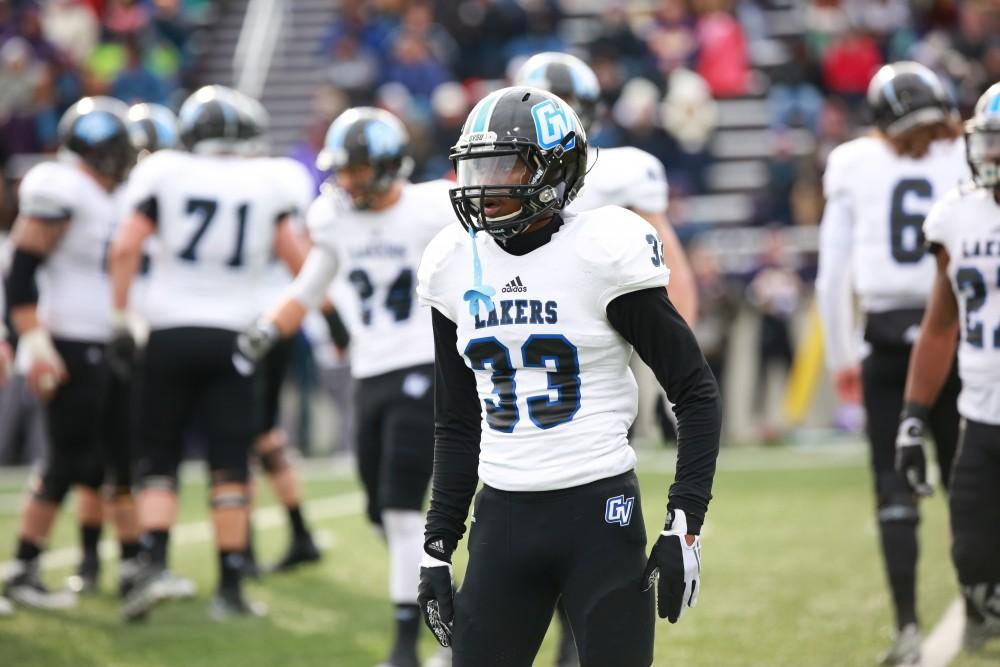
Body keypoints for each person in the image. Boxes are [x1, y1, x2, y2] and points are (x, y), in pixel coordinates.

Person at [414, 86, 721, 667]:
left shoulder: (602, 250)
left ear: (555, 171)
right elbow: (456, 423)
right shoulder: (453, 262)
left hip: (599, 515)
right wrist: (437, 547)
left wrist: (685, 523)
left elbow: (695, 393)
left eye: (506, 165)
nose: (487, 184)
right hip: (502, 516)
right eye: (476, 166)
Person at [235, 106, 454, 667]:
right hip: (368, 371)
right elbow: (312, 281)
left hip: (424, 366)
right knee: (379, 511)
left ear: (387, 166)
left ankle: (406, 644)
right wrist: (268, 326)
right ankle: (450, 594)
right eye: (345, 171)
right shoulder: (332, 217)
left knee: (405, 513)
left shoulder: (433, 207)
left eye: (359, 170)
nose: (349, 182)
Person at [109, 85, 309, 621]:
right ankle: (230, 588)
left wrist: (121, 315)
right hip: (236, 336)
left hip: (169, 329)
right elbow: (301, 263)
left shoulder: (165, 171)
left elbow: (126, 246)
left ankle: (151, 563)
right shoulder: (270, 178)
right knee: (230, 468)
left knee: (159, 458)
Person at [815, 61, 969, 665]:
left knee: (893, 486)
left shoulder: (854, 163)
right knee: (971, 481)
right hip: (957, 332)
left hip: (884, 337)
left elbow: (832, 276)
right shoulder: (964, 156)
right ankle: (983, 604)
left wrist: (841, 353)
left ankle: (907, 625)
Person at [2, 97, 138, 611]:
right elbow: (20, 271)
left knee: (105, 459)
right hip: (65, 342)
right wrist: (34, 342)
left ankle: (124, 563)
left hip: (98, 340)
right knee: (64, 460)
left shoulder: (106, 195)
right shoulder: (60, 185)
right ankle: (24, 567)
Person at [895, 81, 1000, 654]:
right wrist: (913, 417)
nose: (994, 155)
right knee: (974, 563)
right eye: (990, 142)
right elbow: (939, 325)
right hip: (981, 419)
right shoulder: (957, 217)